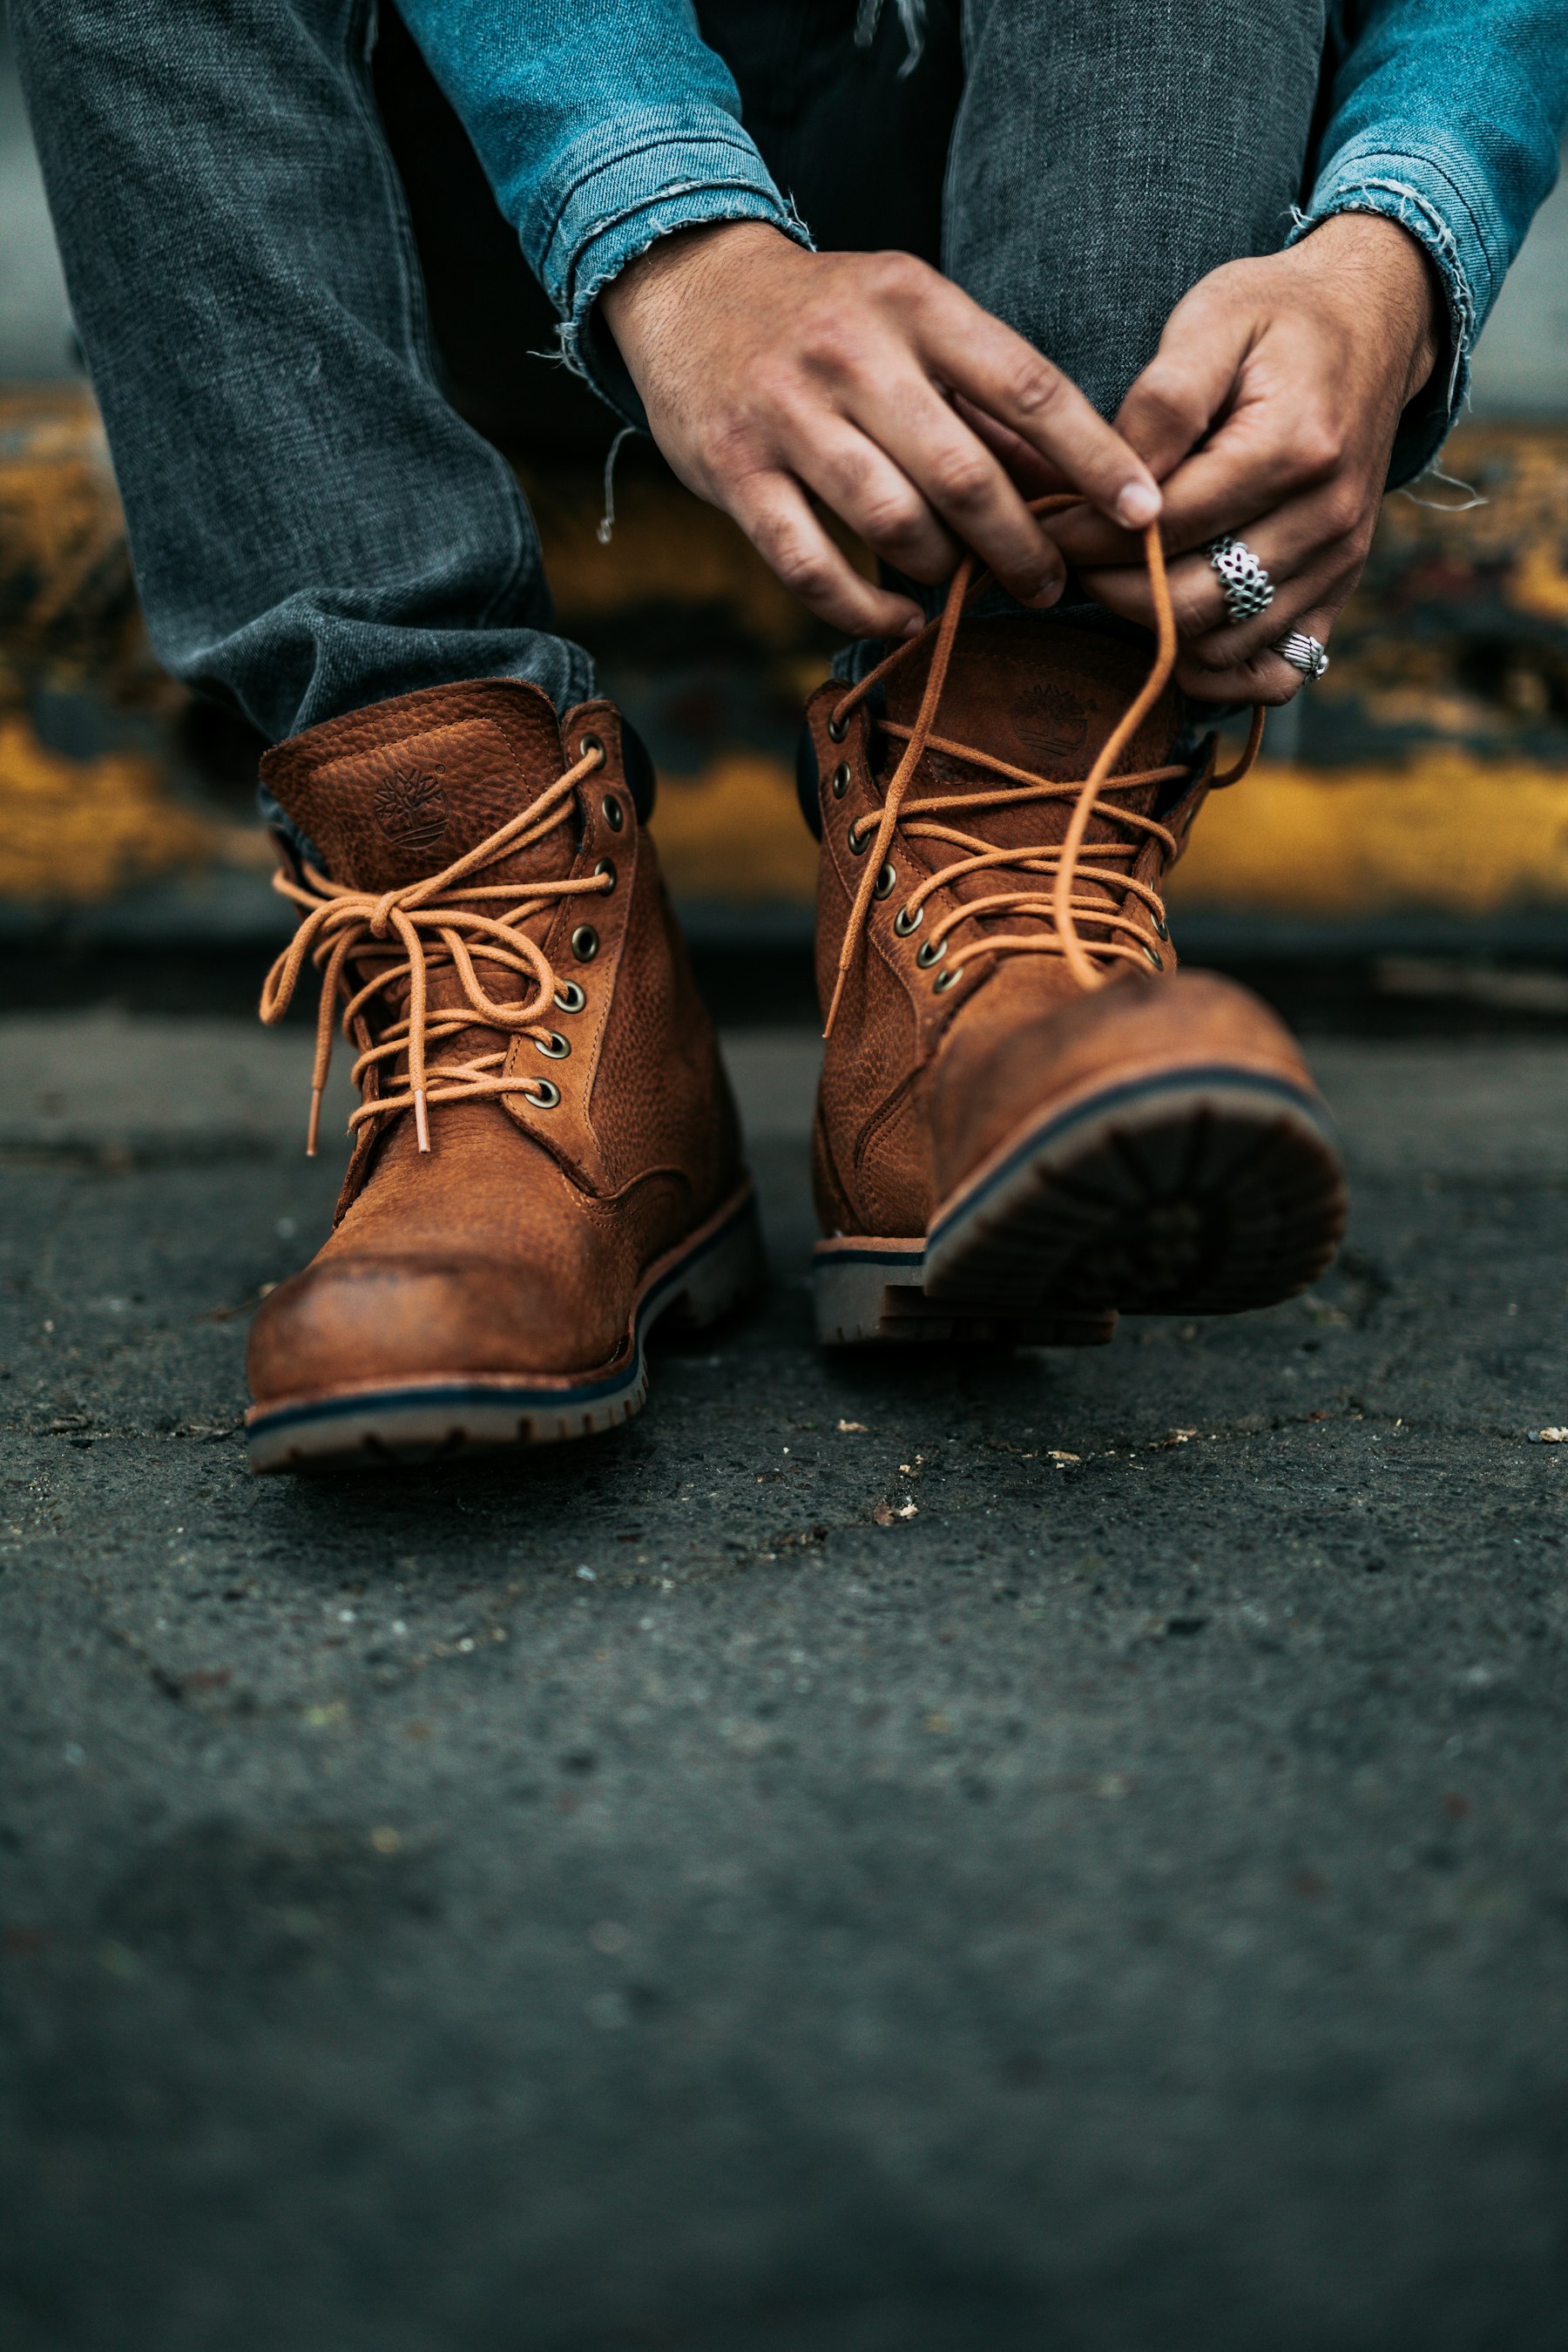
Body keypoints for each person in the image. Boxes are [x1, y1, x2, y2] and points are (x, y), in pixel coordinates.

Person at [13, 0, 1566, 1470]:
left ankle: (996, 901)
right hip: (472, 200)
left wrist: (1398, 243)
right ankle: (491, 953)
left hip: (1074, 163)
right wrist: (668, 229)